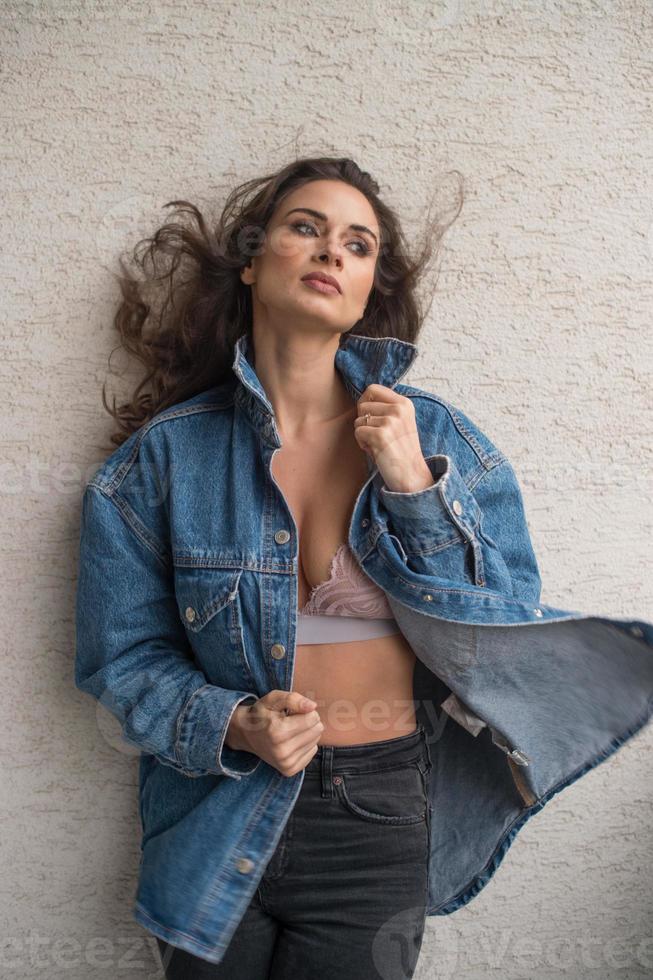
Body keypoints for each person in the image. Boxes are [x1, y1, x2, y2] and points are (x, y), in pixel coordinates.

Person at [74, 156, 653, 979]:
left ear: (369, 284)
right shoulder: (160, 461)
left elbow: (499, 632)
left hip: (376, 809)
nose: (330, 252)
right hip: (213, 805)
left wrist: (412, 486)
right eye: (305, 227)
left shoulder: (442, 442)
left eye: (358, 243)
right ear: (250, 258)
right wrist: (234, 722)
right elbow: (118, 658)